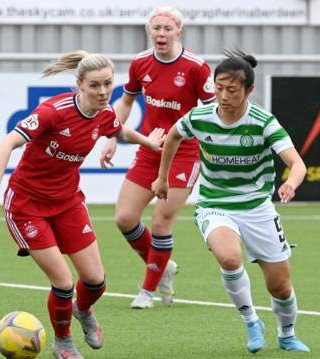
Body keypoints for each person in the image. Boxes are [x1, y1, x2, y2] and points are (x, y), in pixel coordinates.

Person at [0, 50, 164, 359]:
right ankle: (63, 342)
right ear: (79, 84)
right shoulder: (53, 111)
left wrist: (147, 142)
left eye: (107, 84)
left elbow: (118, 129)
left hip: (67, 201)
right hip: (27, 205)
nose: (103, 92)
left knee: (96, 281)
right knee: (63, 282)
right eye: (94, 86)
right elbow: (7, 143)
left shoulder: (103, 113)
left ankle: (83, 309)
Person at [151, 49, 311, 353]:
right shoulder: (200, 117)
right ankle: (251, 320)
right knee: (229, 258)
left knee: (280, 286)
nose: (223, 96)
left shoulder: (263, 122)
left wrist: (290, 182)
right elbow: (172, 136)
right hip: (216, 205)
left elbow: (297, 163)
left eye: (232, 90)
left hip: (257, 208)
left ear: (249, 90)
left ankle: (287, 333)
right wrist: (163, 177)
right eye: (219, 88)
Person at [99, 6, 215, 309]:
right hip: (150, 149)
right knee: (125, 218)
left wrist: (213, 149)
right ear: (149, 31)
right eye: (156, 28)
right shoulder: (140, 63)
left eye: (167, 29)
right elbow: (125, 102)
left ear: (179, 32)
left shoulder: (196, 67)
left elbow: (215, 112)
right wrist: (112, 137)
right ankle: (163, 265)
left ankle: (148, 291)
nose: (161, 34)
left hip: (185, 153)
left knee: (162, 221)